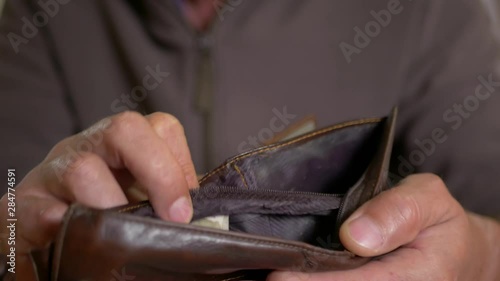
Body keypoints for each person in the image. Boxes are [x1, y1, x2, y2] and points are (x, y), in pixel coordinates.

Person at [0, 0, 499, 280]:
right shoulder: (39, 16)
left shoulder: (427, 11)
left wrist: (478, 256)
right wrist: (9, 239)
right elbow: (11, 223)